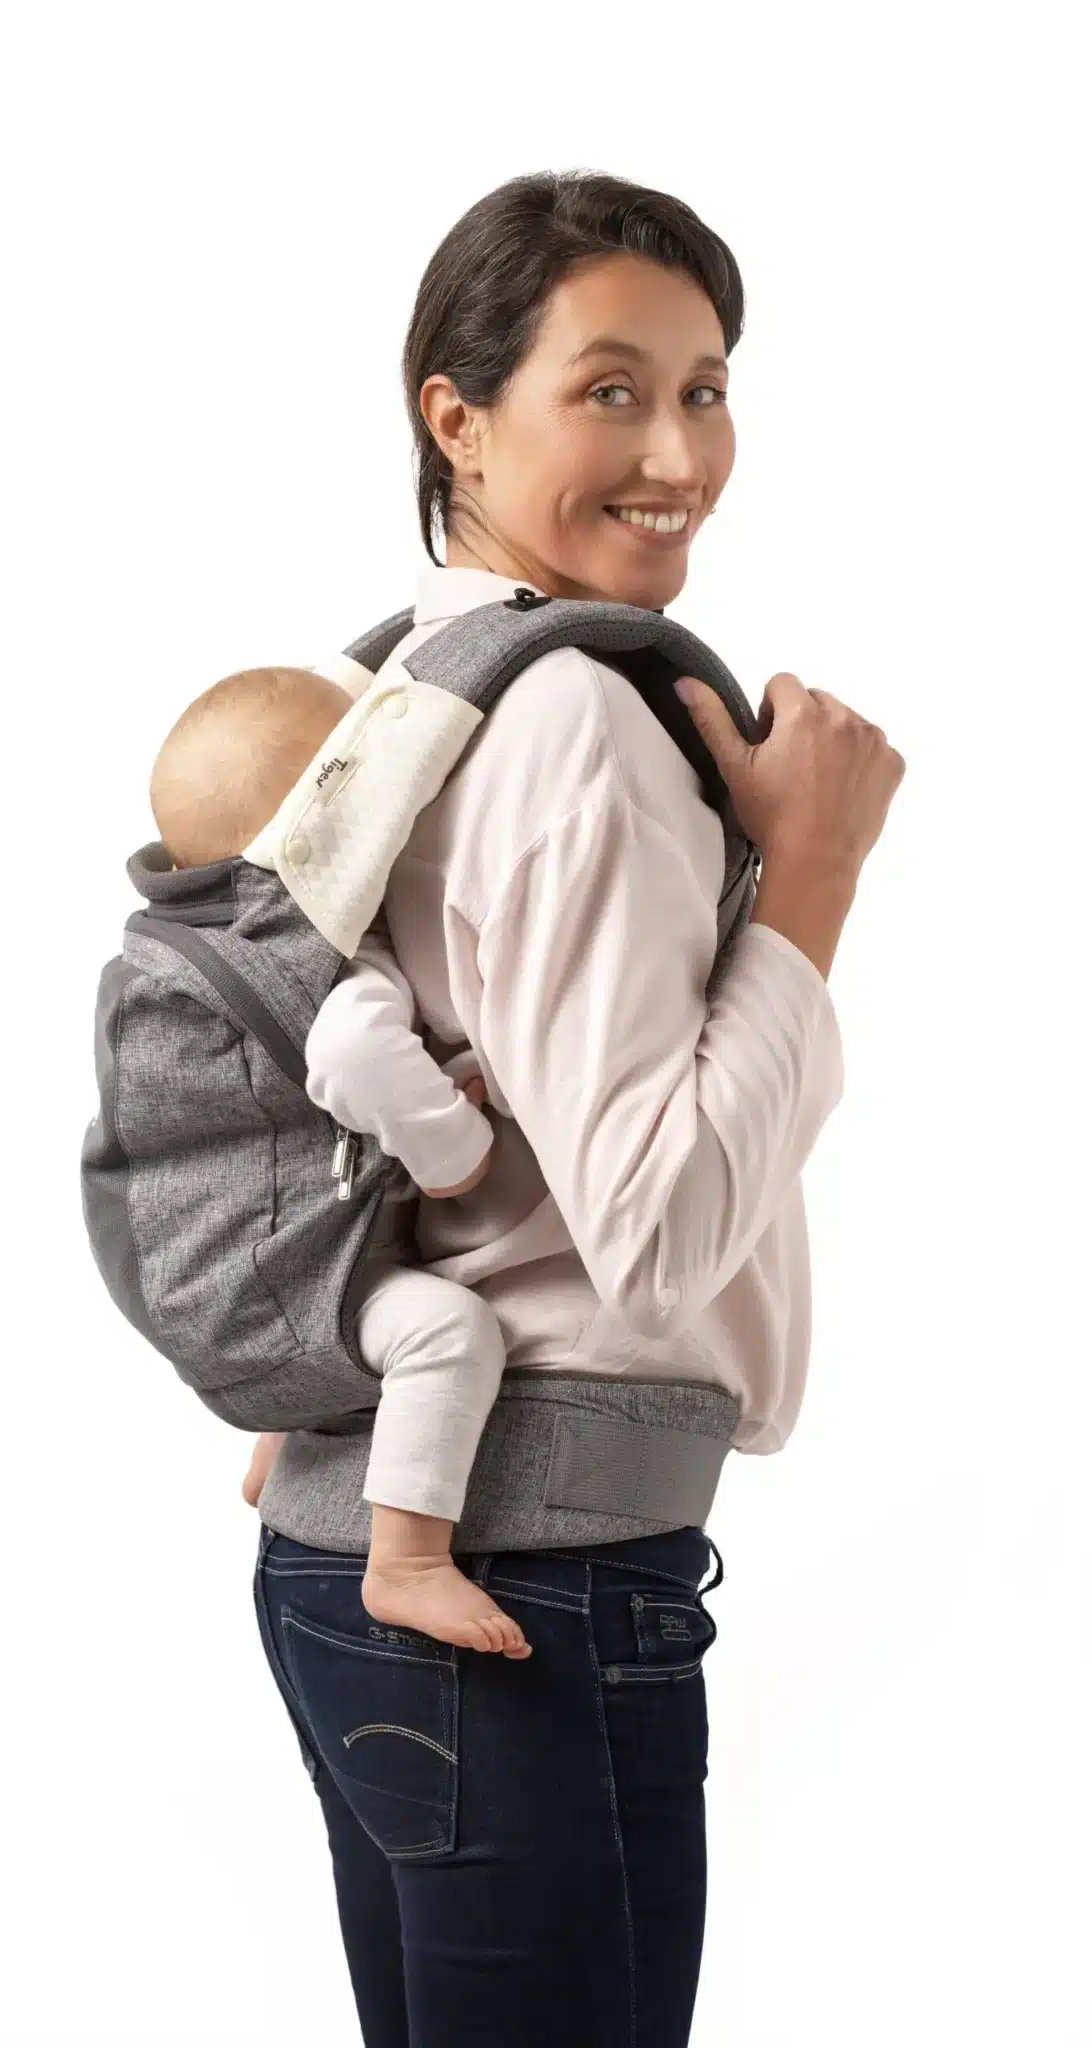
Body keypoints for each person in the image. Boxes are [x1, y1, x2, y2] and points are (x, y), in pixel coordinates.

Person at [247, 169, 905, 2048]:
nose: (677, 453)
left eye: (705, 390)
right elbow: (658, 1224)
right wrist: (813, 882)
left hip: (359, 1553)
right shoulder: (574, 723)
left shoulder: (405, 687)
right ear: (454, 417)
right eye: (609, 389)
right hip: (526, 1583)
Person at [150, 663, 533, 1657]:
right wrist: (455, 1153)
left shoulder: (192, 948)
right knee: (446, 1330)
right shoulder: (334, 961)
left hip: (229, 1270)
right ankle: (406, 1560)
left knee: (339, 1261)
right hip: (278, 1283)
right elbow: (354, 1055)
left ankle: (277, 1446)